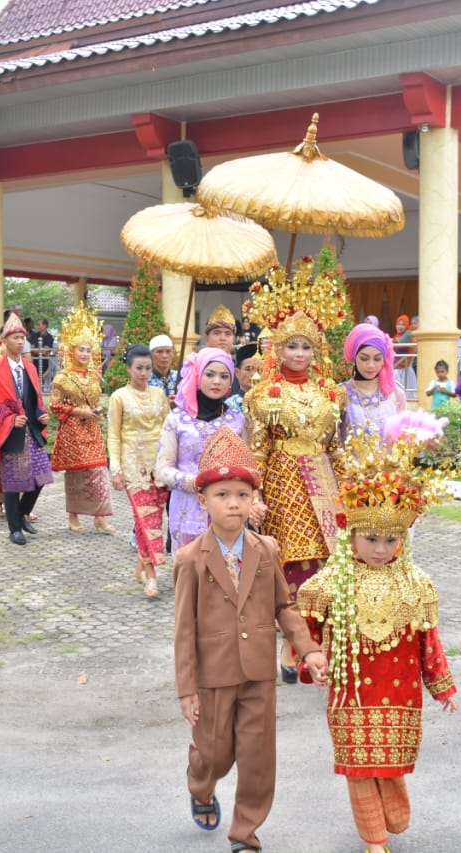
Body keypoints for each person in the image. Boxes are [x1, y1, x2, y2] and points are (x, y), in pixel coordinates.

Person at [297, 413, 458, 853]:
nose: (381, 549)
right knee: (358, 767)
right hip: (350, 694)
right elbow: (304, 631)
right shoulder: (327, 584)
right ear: (351, 535)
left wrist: (442, 686)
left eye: (390, 540)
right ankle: (373, 841)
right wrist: (312, 662)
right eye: (371, 539)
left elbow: (428, 641)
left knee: (389, 768)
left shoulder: (416, 583)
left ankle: (388, 827)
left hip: (400, 692)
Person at [173, 426, 329, 853]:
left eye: (243, 494)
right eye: (222, 494)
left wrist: (309, 649)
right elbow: (183, 629)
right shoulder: (190, 560)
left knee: (258, 758)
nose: (233, 503)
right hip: (213, 674)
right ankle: (201, 785)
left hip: (259, 671)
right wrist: (187, 688)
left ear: (254, 499)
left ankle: (245, 833)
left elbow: (285, 605)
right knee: (215, 753)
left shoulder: (266, 549)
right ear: (203, 500)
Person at [244, 255, 347, 682]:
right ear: (277, 348)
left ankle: (323, 642)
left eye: (306, 346)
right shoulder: (264, 394)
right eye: (292, 345)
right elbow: (257, 450)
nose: (299, 354)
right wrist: (254, 494)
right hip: (284, 482)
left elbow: (335, 446)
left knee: (329, 564)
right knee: (292, 566)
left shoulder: (330, 392)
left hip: (323, 480)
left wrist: (353, 487)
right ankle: (292, 645)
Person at [155, 348, 248, 555]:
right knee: (190, 569)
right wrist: (195, 482)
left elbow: (246, 466)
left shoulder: (238, 420)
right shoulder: (176, 419)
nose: (217, 381)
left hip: (228, 510)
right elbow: (162, 470)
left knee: (228, 569)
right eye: (210, 374)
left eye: (224, 376)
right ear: (197, 375)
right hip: (187, 511)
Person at [0, 313, 52, 546]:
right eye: (15, 338)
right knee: (12, 483)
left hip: (31, 431)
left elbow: (34, 400)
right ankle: (14, 528)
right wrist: (9, 420)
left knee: (41, 477)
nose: (19, 341)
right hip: (9, 434)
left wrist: (41, 415)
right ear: (4, 341)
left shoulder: (31, 369)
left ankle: (22, 514)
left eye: (22, 338)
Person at [107, 345, 170, 596]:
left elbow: (168, 429)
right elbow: (113, 435)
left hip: (159, 465)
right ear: (129, 368)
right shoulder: (119, 397)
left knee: (153, 519)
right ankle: (151, 576)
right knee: (145, 519)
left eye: (147, 368)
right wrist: (115, 469)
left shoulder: (159, 395)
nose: (143, 373)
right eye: (139, 368)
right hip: (133, 467)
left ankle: (141, 567)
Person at [50, 302, 115, 534]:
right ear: (72, 351)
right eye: (81, 350)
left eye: (88, 350)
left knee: (98, 472)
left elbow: (96, 401)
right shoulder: (62, 378)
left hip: (92, 429)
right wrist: (80, 412)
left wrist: (96, 410)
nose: (85, 354)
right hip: (73, 432)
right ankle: (73, 517)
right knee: (76, 474)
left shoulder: (94, 377)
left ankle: (100, 517)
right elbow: (55, 405)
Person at [340, 322, 407, 438]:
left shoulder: (396, 393)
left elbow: (405, 438)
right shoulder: (340, 394)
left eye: (377, 359)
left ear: (384, 360)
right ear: (354, 357)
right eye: (364, 358)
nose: (371, 365)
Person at [225, 343, 259, 413]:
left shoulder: (273, 402)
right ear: (237, 372)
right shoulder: (229, 406)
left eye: (259, 370)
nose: (254, 374)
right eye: (248, 369)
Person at [148, 333, 179, 404]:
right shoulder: (145, 379)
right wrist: (165, 405)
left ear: (173, 353)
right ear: (151, 355)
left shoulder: (180, 377)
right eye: (159, 352)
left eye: (168, 351)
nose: (165, 356)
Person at [31, 318, 54, 391]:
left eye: (39, 325)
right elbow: (31, 348)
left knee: (42, 385)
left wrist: (36, 350)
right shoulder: (34, 335)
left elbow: (45, 351)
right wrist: (40, 351)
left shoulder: (49, 337)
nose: (37, 326)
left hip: (44, 364)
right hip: (34, 363)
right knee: (33, 385)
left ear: (45, 326)